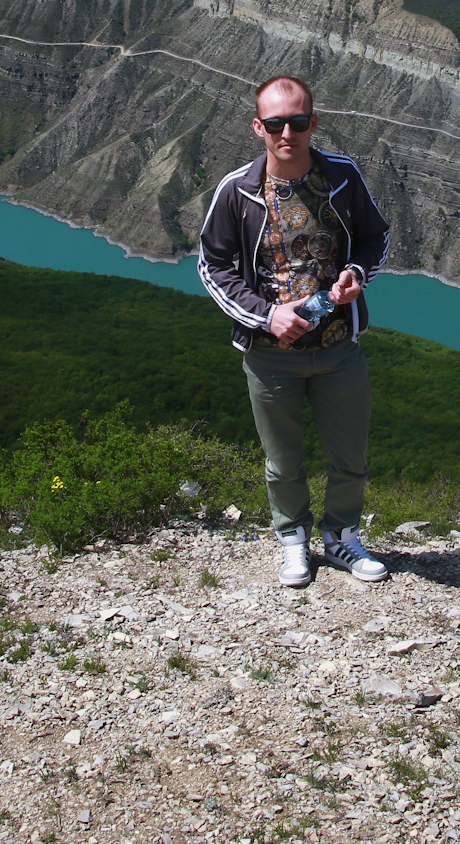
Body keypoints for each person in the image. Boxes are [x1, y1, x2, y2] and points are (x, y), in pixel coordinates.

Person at [199, 75, 392, 587]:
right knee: (282, 462)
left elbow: (375, 237)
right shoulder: (238, 189)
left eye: (299, 121)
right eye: (277, 123)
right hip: (270, 354)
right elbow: (212, 266)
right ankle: (294, 542)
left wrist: (356, 274)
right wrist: (265, 316)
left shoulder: (343, 177)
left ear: (313, 123)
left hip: (338, 349)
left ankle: (343, 538)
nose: (289, 133)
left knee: (349, 455)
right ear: (258, 126)